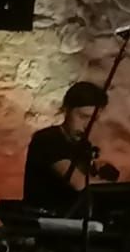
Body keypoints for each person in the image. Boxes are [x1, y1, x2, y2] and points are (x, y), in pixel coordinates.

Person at [22, 81, 119, 213]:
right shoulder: (48, 139)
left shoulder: (83, 145)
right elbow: (80, 185)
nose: (87, 125)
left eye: (93, 120)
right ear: (67, 110)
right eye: (83, 117)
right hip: (47, 221)